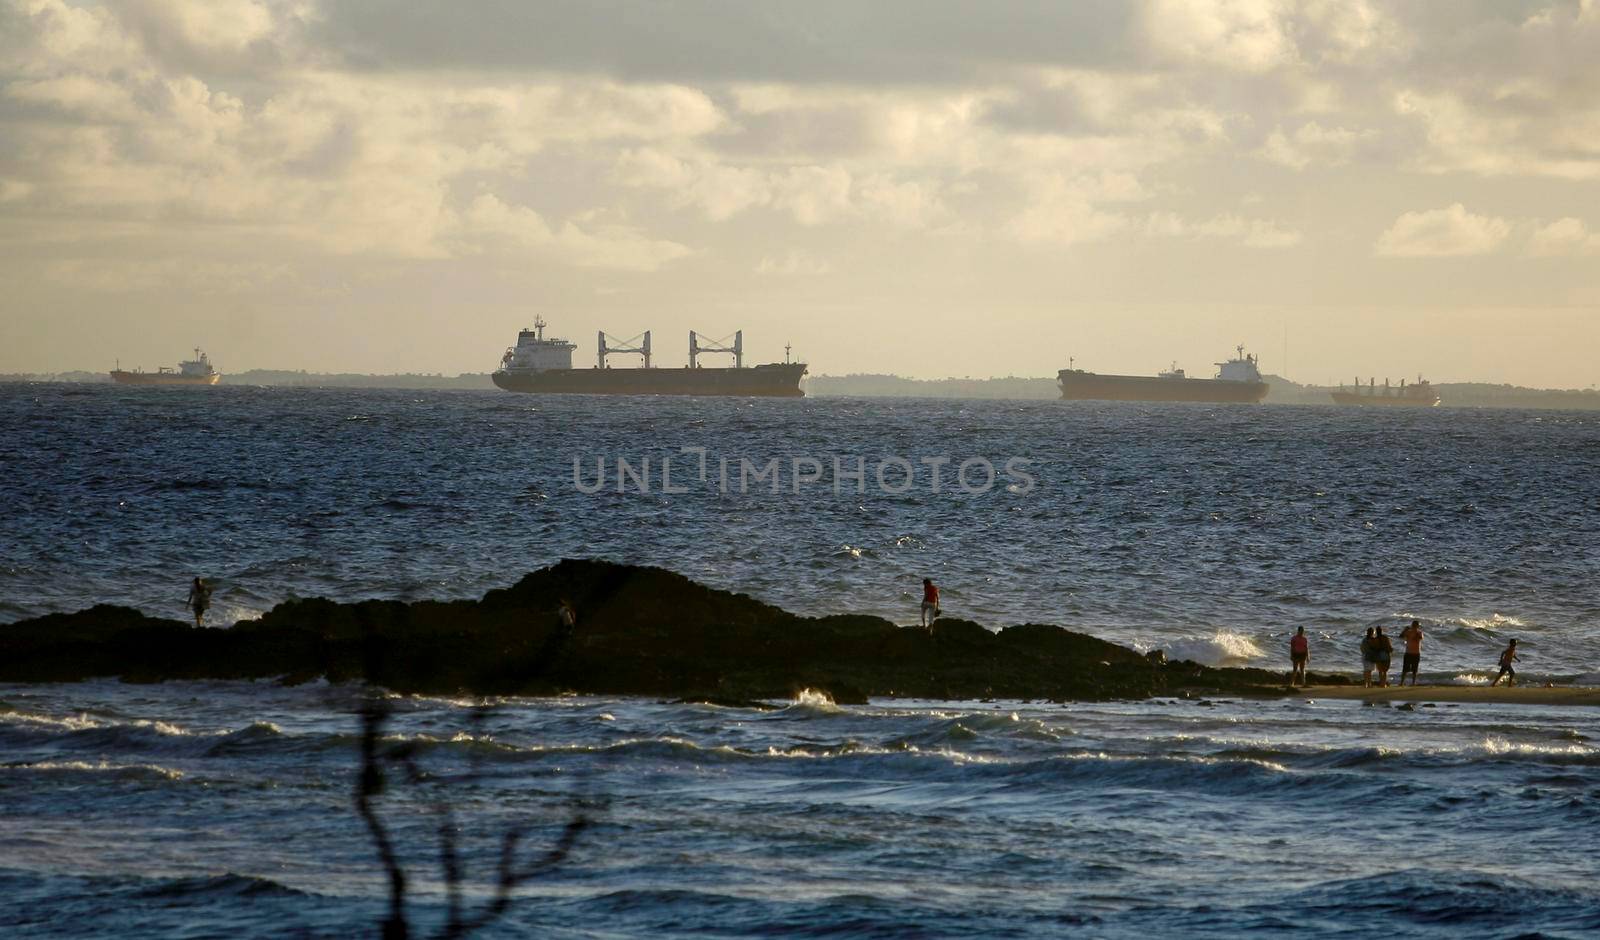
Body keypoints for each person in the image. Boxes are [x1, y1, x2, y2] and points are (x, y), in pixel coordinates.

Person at [1399, 620, 1424, 687]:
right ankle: (1401, 682)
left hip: (1416, 653)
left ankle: (1413, 683)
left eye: (1416, 625)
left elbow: (1420, 638)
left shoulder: (1419, 632)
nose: (1415, 627)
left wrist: (1414, 632)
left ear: (1417, 626)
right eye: (1414, 625)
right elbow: (1400, 636)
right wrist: (1405, 630)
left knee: (1415, 669)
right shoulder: (1408, 632)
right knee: (1405, 669)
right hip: (1408, 652)